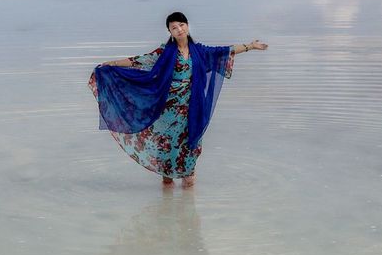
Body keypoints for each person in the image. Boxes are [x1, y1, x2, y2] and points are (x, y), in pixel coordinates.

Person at [89, 13, 268, 187]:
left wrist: (250, 46)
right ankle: (167, 205)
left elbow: (224, 51)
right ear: (170, 32)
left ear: (187, 26)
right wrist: (112, 64)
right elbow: (139, 60)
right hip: (169, 109)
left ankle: (188, 202)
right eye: (174, 27)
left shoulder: (199, 51)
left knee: (190, 149)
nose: (179, 29)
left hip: (193, 106)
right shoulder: (165, 52)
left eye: (181, 25)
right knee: (167, 151)